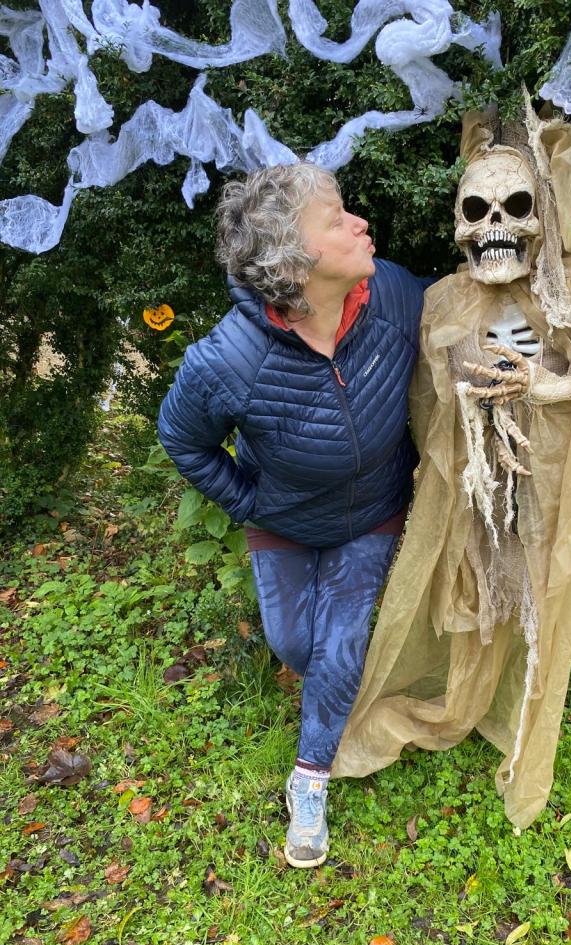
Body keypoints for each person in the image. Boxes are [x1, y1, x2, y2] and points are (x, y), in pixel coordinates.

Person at [157, 163, 426, 868]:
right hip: (282, 517)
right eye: (337, 218)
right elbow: (181, 437)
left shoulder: (392, 294)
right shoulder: (229, 358)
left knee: (337, 646)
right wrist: (250, 501)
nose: (360, 223)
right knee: (295, 645)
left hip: (371, 513)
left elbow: (467, 312)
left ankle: (310, 778)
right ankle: (341, 683)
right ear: (294, 260)